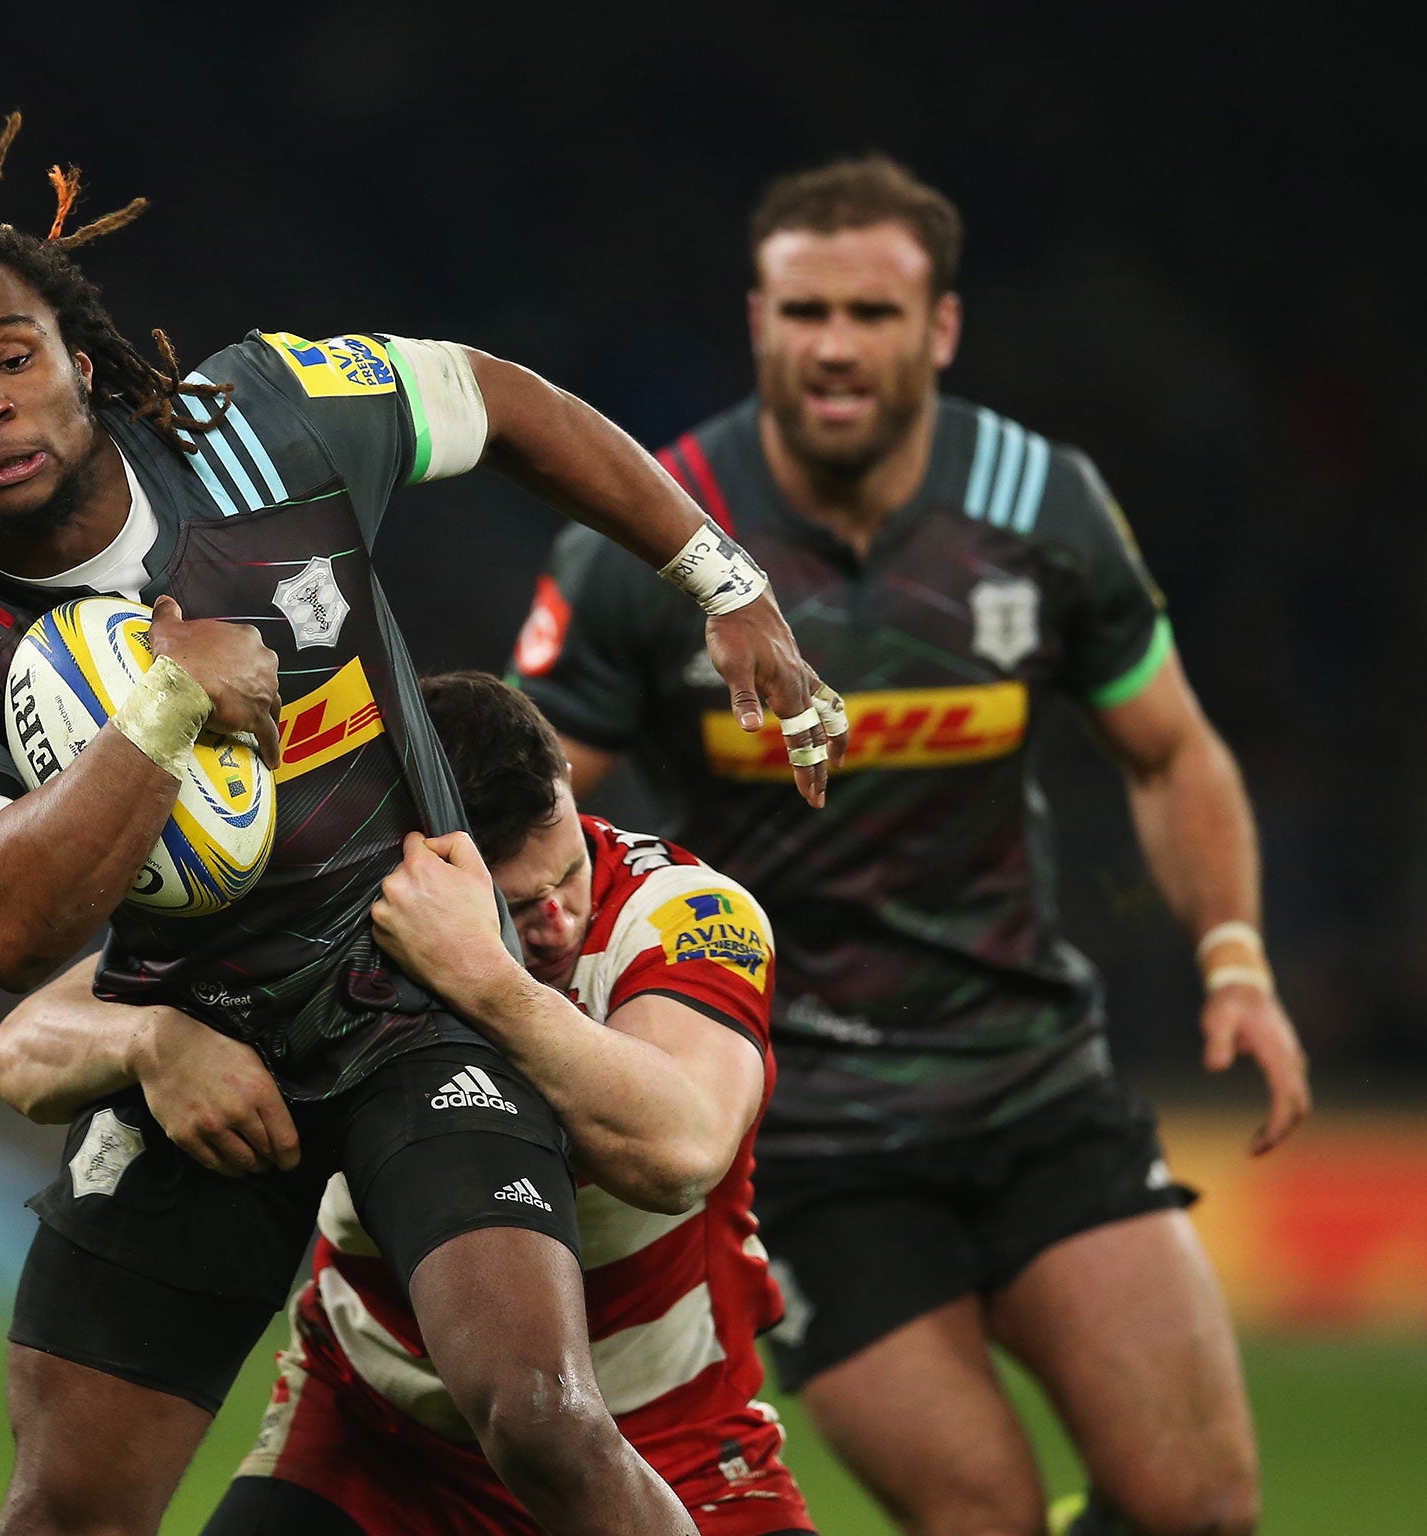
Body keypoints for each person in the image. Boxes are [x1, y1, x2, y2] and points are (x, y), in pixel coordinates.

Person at [0, 94, 844, 1536]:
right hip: (202, 1054)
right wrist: (157, 721)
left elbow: (501, 400)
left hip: (419, 1010)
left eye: (8, 358)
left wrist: (722, 585)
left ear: (83, 363)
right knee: (64, 1511)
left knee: (539, 1417)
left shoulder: (261, 424)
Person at [509, 155, 1310, 1536]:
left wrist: (1235, 961)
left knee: (1203, 1507)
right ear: (755, 318)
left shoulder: (1042, 507)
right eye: (802, 310)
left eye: (871, 315)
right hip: (809, 1138)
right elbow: (520, 809)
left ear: (939, 327)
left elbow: (1172, 750)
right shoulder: (653, 529)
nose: (833, 346)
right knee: (983, 1516)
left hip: (1035, 1084)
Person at [0, 671, 815, 1536]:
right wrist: (152, 1041)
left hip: (663, 1448)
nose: (560, 925)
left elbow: (681, 1153)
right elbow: (20, 1048)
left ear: (568, 791)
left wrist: (487, 973)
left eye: (566, 876)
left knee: (554, 1428)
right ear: (404, 859)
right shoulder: (320, 912)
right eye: (516, 905)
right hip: (372, 1441)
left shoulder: (682, 914)